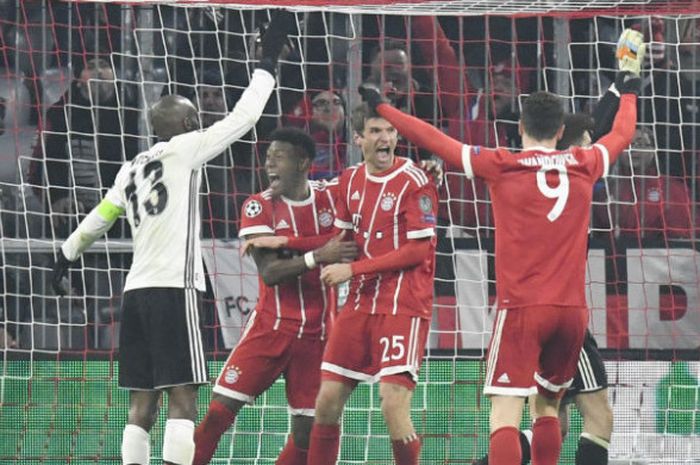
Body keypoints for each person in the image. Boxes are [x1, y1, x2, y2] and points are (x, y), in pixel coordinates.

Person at [359, 28, 644, 465]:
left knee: (506, 414)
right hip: (571, 313)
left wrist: (382, 107)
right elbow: (623, 133)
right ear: (562, 130)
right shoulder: (586, 163)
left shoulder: (502, 164)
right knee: (549, 407)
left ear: (521, 126)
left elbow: (437, 141)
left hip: (522, 309)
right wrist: (629, 83)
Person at [49, 11, 294, 465]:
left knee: (141, 404)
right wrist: (267, 60)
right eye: (196, 118)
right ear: (185, 125)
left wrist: (65, 254)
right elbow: (246, 115)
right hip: (172, 288)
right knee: (183, 397)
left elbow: (100, 217)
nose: (201, 121)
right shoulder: (189, 148)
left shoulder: (132, 168)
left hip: (136, 292)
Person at [191, 127, 358, 465]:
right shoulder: (257, 206)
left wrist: (288, 244)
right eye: (267, 158)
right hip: (270, 329)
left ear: (303, 162)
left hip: (318, 335)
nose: (269, 164)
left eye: (278, 157)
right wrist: (318, 255)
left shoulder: (331, 197)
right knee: (217, 415)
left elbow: (351, 229)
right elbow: (269, 273)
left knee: (306, 437)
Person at [305, 102, 439, 465]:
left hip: (404, 303)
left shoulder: (416, 180)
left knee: (393, 403)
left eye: (391, 131)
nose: (385, 138)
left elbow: (417, 251)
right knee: (327, 399)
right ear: (359, 138)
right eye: (376, 131)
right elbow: (342, 240)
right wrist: (305, 252)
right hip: (361, 304)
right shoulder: (349, 181)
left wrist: (354, 270)